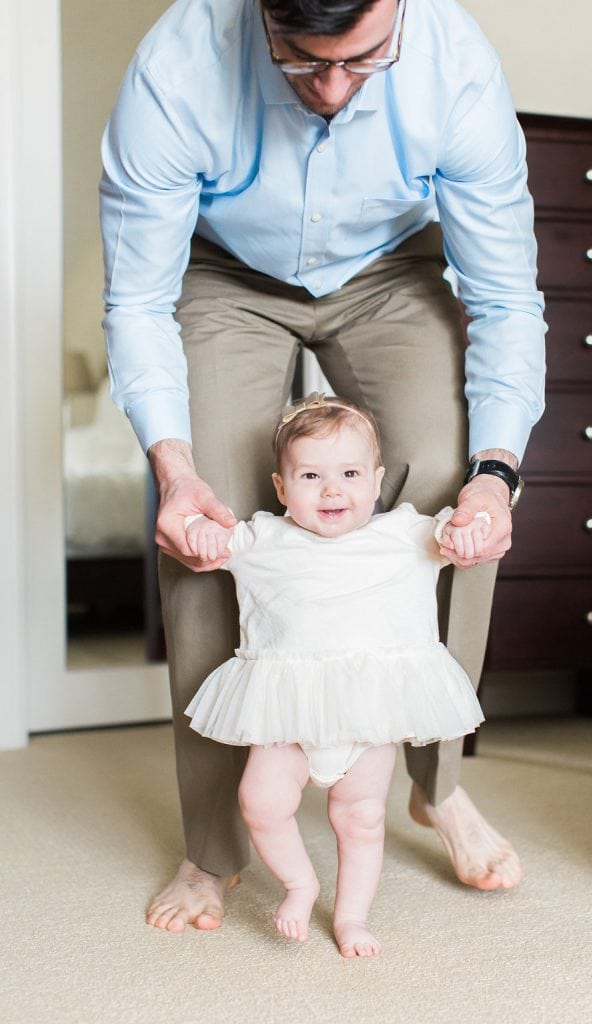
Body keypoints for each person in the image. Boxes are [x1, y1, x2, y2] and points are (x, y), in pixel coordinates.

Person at [99, 0, 546, 933]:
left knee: (449, 506)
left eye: (363, 59)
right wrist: (174, 472)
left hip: (391, 268)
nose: (333, 90)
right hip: (221, 272)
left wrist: (494, 473)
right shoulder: (177, 69)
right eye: (301, 62)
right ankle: (213, 847)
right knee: (210, 529)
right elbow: (138, 299)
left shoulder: (455, 71)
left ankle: (437, 784)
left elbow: (503, 296)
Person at [183, 393, 488, 957]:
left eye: (349, 473)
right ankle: (301, 885)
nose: (332, 488)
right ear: (281, 488)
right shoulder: (262, 536)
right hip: (286, 714)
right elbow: (209, 543)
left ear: (376, 482)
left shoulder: (406, 534)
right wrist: (201, 535)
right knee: (261, 801)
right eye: (311, 475)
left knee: (362, 817)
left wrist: (467, 530)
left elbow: (459, 531)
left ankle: (352, 917)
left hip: (366, 714)